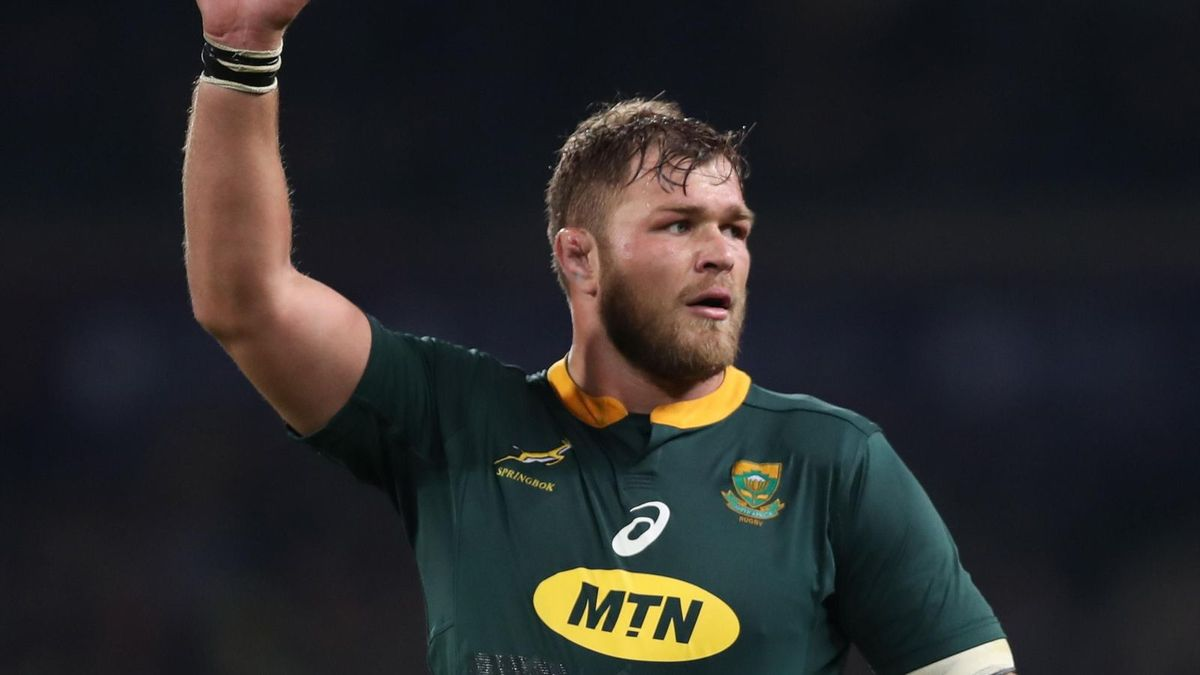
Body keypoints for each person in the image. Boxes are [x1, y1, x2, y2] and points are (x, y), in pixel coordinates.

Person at [183, 1, 1017, 673]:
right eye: (679, 223)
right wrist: (241, 50)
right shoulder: (457, 420)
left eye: (734, 227)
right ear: (578, 257)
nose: (722, 252)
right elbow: (248, 302)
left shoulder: (831, 464)